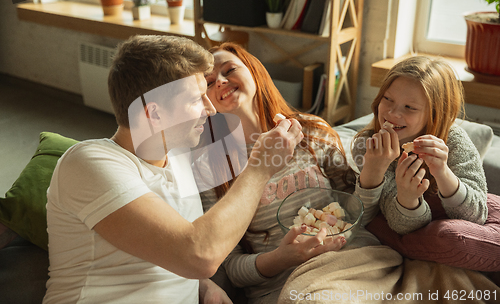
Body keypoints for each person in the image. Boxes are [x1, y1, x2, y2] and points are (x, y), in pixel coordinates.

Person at [42, 35, 304, 304]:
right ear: (154, 114)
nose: (210, 108)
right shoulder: (89, 163)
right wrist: (260, 168)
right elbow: (198, 254)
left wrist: (201, 286)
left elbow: (161, 245)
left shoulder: (181, 160)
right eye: (196, 99)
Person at [196, 43, 363, 304]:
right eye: (208, 82)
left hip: (345, 265)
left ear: (254, 71)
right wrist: (281, 259)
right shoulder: (209, 166)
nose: (220, 81)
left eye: (229, 69)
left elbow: (357, 202)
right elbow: (230, 268)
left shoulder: (311, 131)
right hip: (282, 288)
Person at [352, 55, 488, 235]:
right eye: (387, 99)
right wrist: (375, 171)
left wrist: (443, 172)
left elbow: (477, 215)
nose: (392, 113)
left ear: (435, 114)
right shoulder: (367, 145)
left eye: (409, 107)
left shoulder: (454, 141)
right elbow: (369, 219)